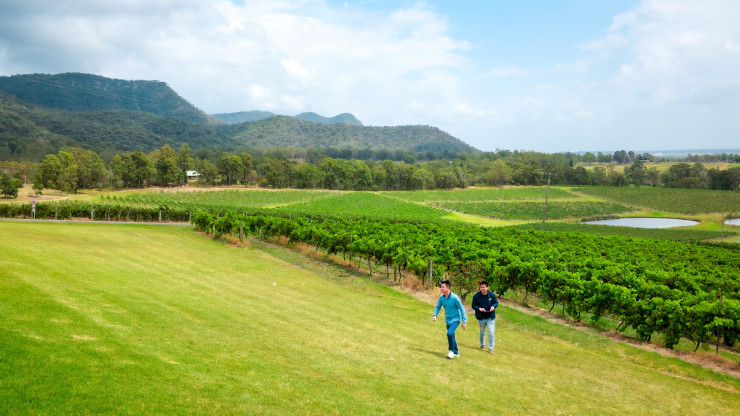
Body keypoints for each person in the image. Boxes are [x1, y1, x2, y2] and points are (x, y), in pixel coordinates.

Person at [432, 280, 467, 359]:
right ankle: (456, 352)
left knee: (450, 333)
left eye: (443, 287)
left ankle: (451, 351)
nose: (441, 288)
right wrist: (435, 315)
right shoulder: (441, 297)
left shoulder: (455, 298)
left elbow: (462, 309)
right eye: (441, 287)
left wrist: (464, 322)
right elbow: (438, 307)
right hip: (448, 320)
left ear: (448, 288)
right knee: (452, 336)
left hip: (456, 319)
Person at [471, 280, 499, 354]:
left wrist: (493, 306)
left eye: (484, 287)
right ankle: (482, 345)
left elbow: (496, 303)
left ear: (487, 287)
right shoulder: (476, 296)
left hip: (490, 316)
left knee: (491, 333)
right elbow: (473, 306)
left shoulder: (491, 295)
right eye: (481, 287)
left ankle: (491, 348)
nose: (482, 289)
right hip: (481, 317)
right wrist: (479, 308)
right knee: (482, 333)